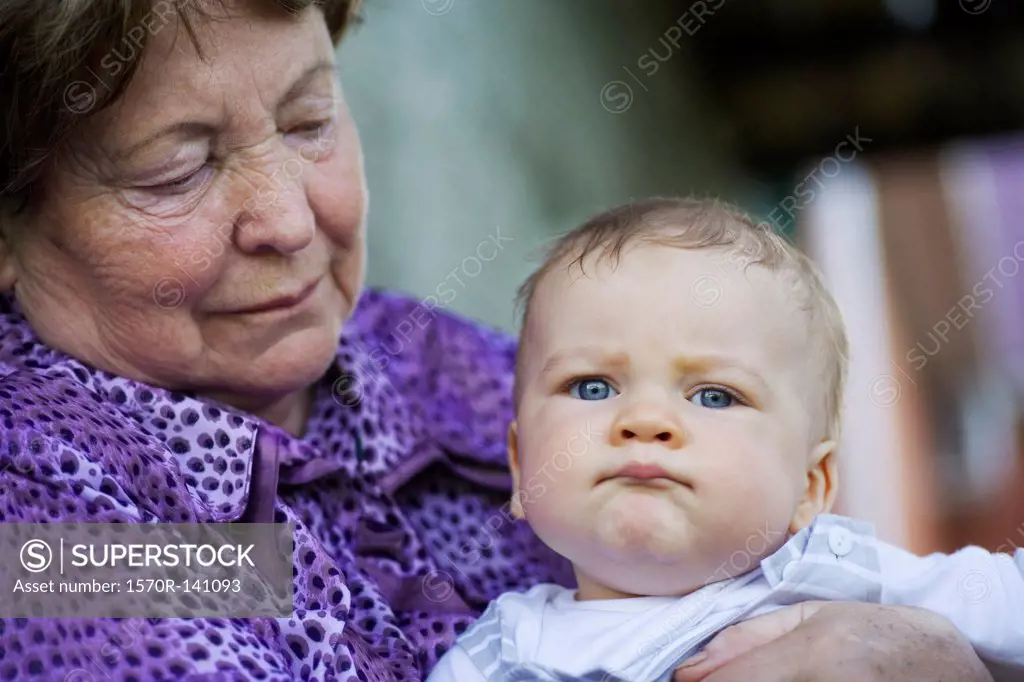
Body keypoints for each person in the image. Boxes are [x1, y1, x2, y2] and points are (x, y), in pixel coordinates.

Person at [0, 1, 1001, 680]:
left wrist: (920, 649)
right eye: (176, 174)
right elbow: (235, 579)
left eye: (309, 120)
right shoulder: (44, 525)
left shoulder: (433, 366)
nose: (291, 221)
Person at [427, 198, 1024, 682]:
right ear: (520, 465)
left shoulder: (829, 574)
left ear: (809, 487)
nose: (643, 419)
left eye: (714, 396)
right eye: (591, 386)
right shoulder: (502, 654)